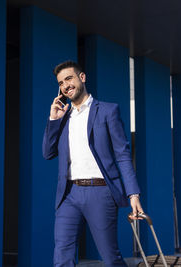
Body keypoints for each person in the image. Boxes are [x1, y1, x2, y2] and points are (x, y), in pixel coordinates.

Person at [42, 60, 144, 267]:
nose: (65, 85)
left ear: (82, 77)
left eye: (69, 78)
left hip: (100, 191)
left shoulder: (107, 111)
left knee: (110, 257)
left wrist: (133, 194)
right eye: (61, 83)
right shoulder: (62, 117)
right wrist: (53, 120)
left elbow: (123, 155)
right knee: (62, 256)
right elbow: (47, 153)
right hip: (68, 195)